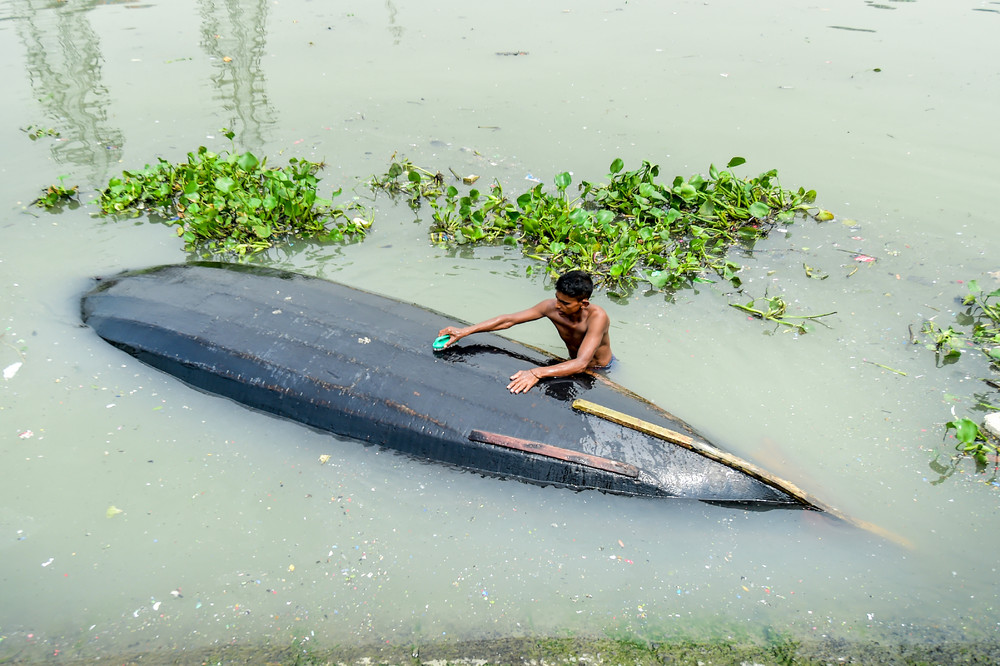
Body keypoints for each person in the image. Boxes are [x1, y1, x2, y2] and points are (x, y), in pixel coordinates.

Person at [437, 270, 613, 394]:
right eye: (557, 299)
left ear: (583, 304)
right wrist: (465, 331)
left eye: (565, 303)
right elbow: (509, 320)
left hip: (601, 368)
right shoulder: (551, 307)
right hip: (572, 362)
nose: (558, 306)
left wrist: (536, 372)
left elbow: (582, 363)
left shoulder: (597, 318)